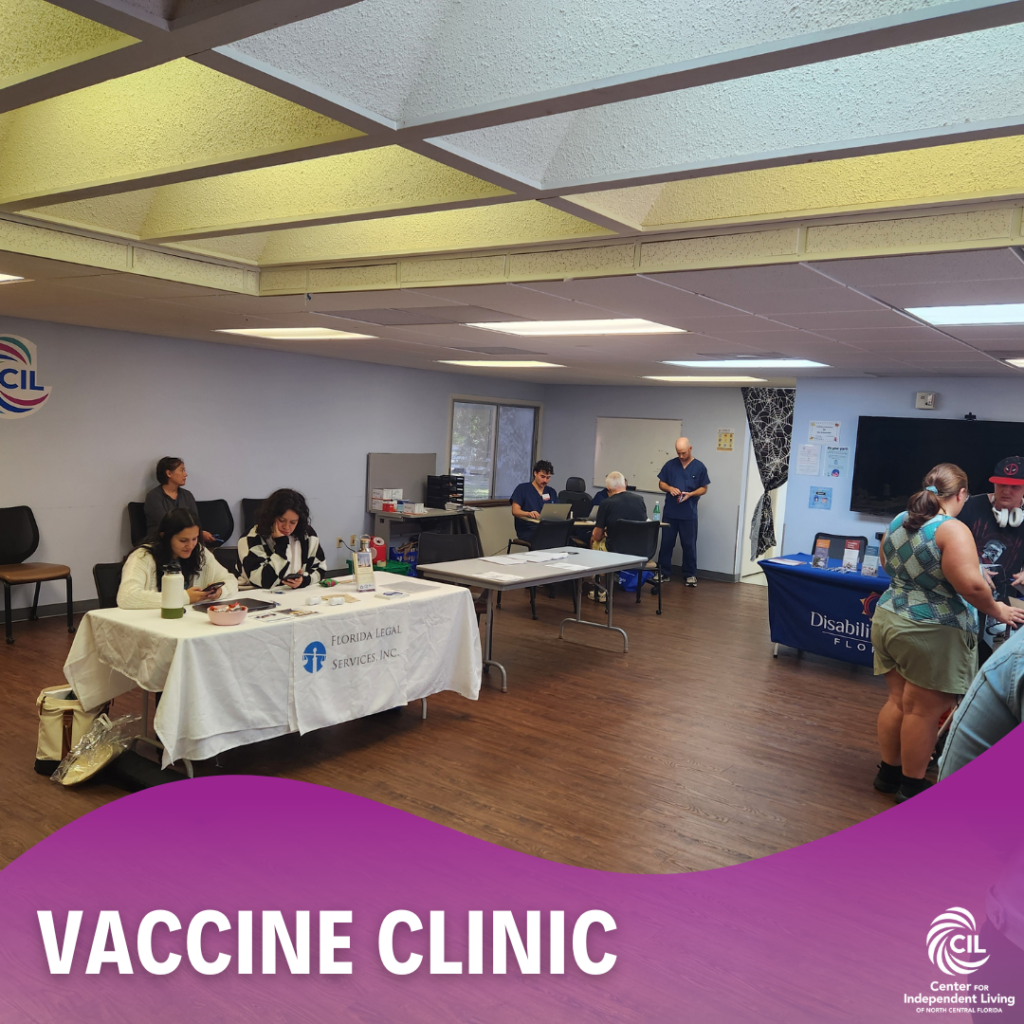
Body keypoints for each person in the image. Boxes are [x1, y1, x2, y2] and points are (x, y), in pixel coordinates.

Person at [871, 463, 1024, 802]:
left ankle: (888, 774)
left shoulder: (900, 519)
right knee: (922, 711)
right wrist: (998, 609)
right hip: (930, 627)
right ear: (962, 494)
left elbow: (887, 562)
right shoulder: (951, 529)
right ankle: (911, 785)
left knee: (898, 701)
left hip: (889, 616)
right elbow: (970, 585)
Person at [957, 456, 1024, 662]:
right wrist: (972, 566)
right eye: (1001, 484)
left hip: (1007, 602)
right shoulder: (972, 506)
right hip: (967, 597)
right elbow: (948, 545)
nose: (1006, 491)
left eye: (1014, 487)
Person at [117, 507, 236, 609]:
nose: (190, 546)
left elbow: (230, 581)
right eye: (183, 540)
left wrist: (220, 592)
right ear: (165, 537)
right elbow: (127, 597)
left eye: (194, 539)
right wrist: (185, 597)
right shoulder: (142, 556)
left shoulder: (199, 552)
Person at [238, 488, 326, 589]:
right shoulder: (251, 539)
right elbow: (265, 581)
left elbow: (320, 568)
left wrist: (304, 580)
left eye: (293, 522)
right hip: (254, 594)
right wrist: (281, 544)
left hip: (291, 593)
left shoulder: (307, 534)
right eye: (281, 520)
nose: (286, 527)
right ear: (271, 516)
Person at [657, 437, 710, 586]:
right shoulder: (670, 465)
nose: (681, 456)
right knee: (666, 543)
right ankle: (663, 572)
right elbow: (661, 483)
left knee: (689, 545)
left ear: (690, 449)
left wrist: (691, 494)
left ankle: (690, 575)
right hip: (670, 513)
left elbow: (704, 488)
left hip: (689, 514)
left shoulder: (699, 467)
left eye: (684, 453)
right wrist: (670, 488)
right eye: (678, 453)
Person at [144, 457, 215, 544]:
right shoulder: (153, 496)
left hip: (186, 541)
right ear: (169, 473)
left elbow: (195, 520)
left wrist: (201, 532)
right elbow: (166, 524)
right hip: (161, 542)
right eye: (181, 470)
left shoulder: (187, 495)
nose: (185, 474)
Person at [591, 472, 647, 550]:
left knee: (593, 541)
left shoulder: (606, 503)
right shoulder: (640, 500)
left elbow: (597, 536)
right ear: (625, 484)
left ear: (608, 488)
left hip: (615, 550)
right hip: (638, 550)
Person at [510, 460, 558, 541]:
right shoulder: (522, 489)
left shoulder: (551, 492)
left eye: (548, 477)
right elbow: (515, 511)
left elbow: (557, 511)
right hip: (529, 529)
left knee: (565, 537)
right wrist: (528, 514)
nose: (545, 481)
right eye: (542, 477)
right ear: (535, 473)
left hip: (548, 528)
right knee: (546, 539)